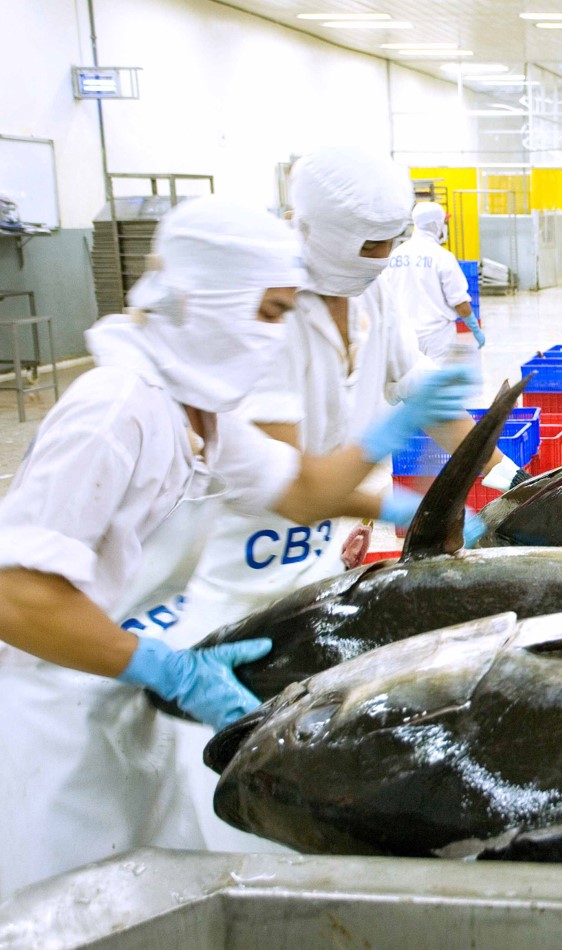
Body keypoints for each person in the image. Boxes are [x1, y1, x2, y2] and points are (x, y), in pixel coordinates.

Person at [0, 197, 478, 900]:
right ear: (211, 303)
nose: (276, 336)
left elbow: (302, 492)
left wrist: (411, 490)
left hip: (121, 685)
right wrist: (167, 669)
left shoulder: (197, 414)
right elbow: (18, 598)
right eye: (271, 313)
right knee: (71, 902)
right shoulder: (115, 409)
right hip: (58, 699)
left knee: (151, 889)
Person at [381, 201, 481, 361]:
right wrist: (475, 329)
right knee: (436, 376)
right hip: (438, 337)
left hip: (404, 335)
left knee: (410, 376)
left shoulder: (396, 255)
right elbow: (459, 301)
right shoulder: (442, 257)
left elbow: (385, 295)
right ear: (437, 225)